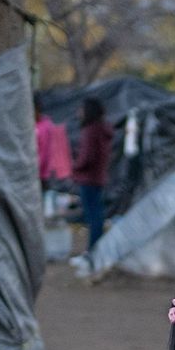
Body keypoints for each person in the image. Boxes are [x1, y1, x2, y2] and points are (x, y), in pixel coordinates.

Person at [72, 97, 115, 250]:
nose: (79, 112)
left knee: (93, 216)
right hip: (98, 177)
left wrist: (75, 167)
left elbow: (86, 157)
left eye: (82, 109)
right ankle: (96, 247)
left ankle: (93, 249)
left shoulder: (90, 131)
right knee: (97, 214)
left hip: (89, 178)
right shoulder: (103, 129)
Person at [34, 95, 72, 209]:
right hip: (39, 172)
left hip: (42, 173)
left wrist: (36, 170)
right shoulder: (35, 125)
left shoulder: (44, 126)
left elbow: (45, 152)